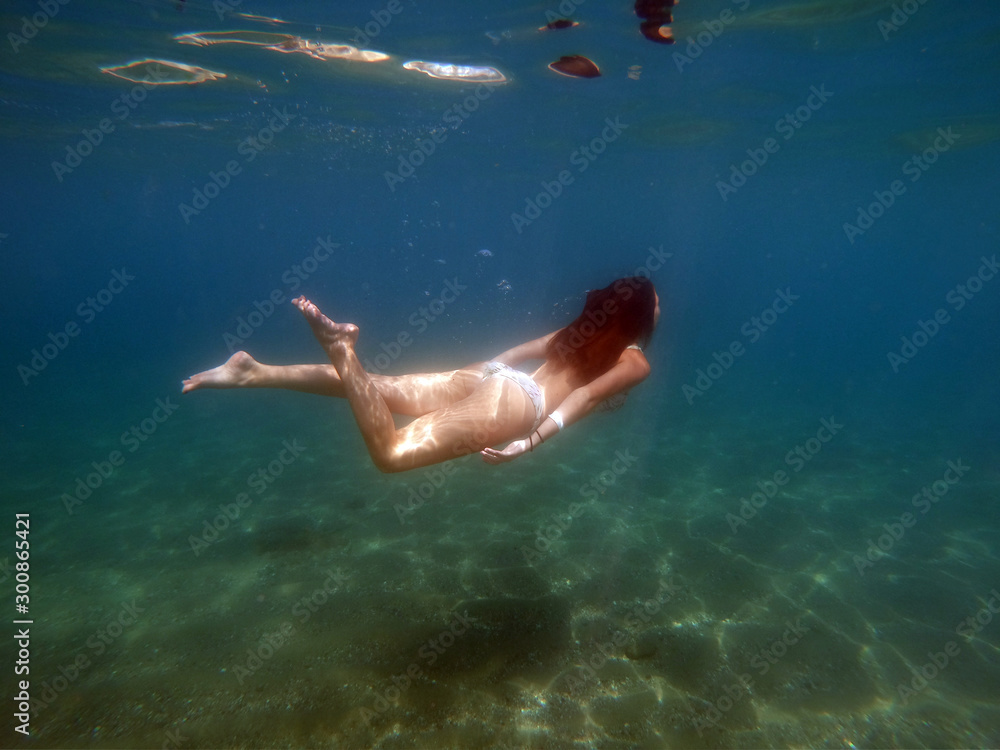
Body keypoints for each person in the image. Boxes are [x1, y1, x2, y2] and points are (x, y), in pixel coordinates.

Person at [182, 276, 659, 473]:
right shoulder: (634, 360)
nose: (661, 307)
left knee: (374, 389)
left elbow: (522, 350)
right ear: (638, 318)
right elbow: (586, 399)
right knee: (390, 454)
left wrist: (486, 373)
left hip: (492, 377)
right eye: (655, 304)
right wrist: (530, 442)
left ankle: (252, 372)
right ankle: (342, 348)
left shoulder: (582, 329)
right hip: (520, 403)